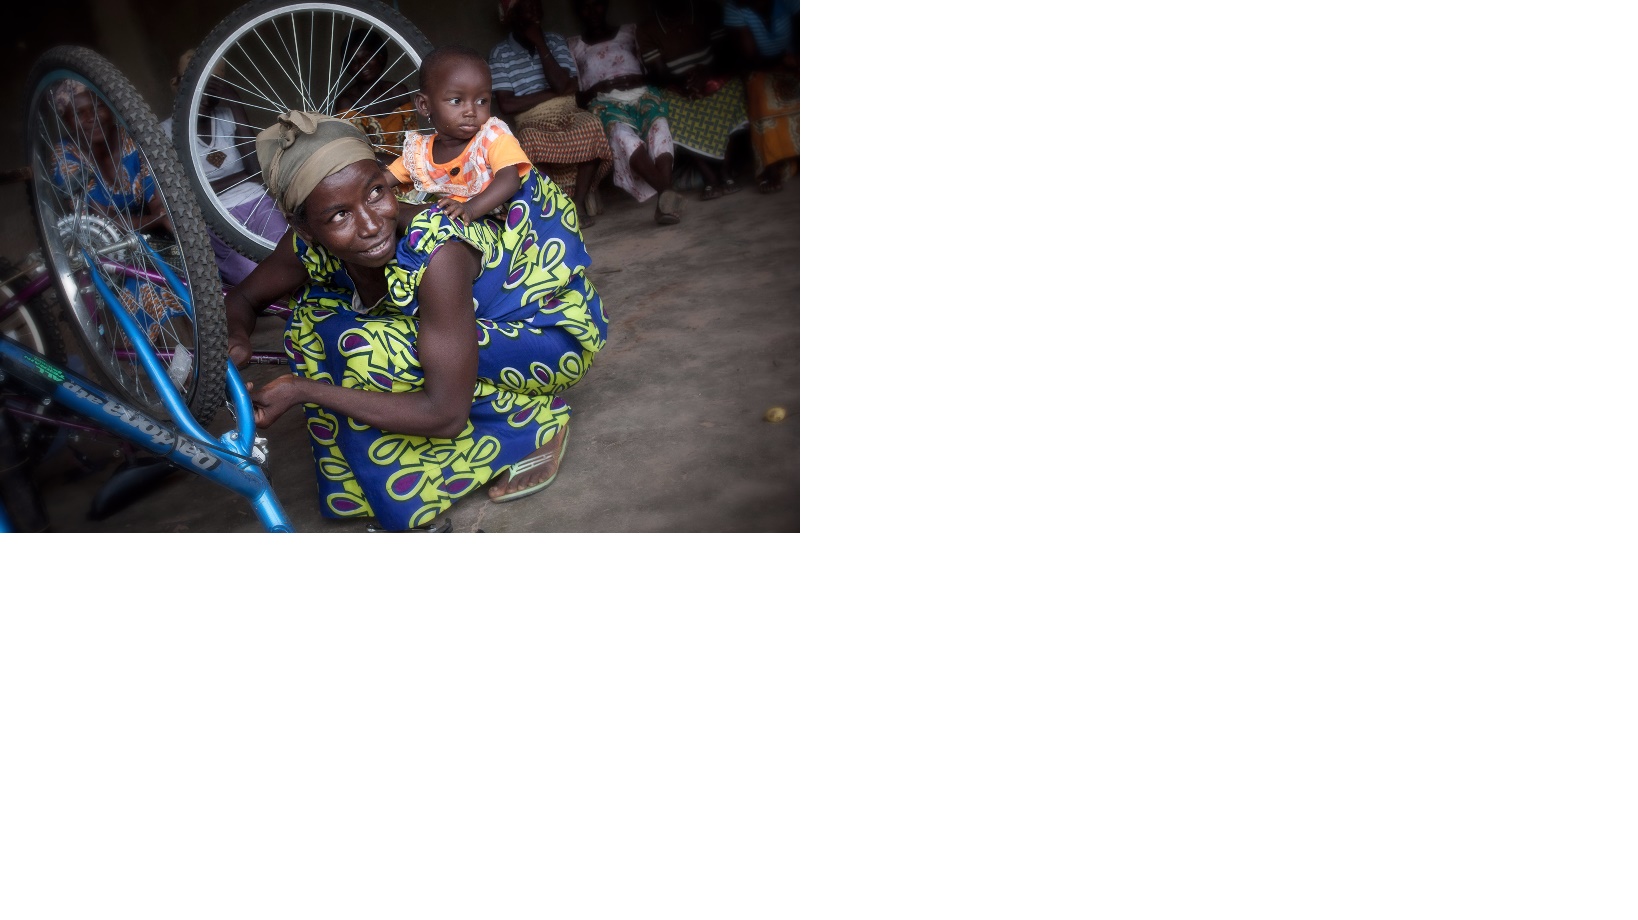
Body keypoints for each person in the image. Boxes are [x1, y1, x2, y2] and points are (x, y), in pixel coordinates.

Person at [224, 111, 607, 531]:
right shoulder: (305, 244)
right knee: (318, 323)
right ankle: (391, 479)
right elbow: (243, 297)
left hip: (540, 341)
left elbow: (444, 415)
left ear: (389, 183)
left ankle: (535, 424)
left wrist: (302, 391)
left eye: (375, 193)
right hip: (464, 342)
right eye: (338, 216)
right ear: (304, 227)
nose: (370, 225)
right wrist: (237, 338)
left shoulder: (438, 252)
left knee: (366, 349)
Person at [47, 81, 188, 337]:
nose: (91, 118)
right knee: (140, 283)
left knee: (188, 269)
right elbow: (102, 220)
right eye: (79, 114)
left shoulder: (131, 141)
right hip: (102, 248)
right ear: (67, 121)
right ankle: (169, 368)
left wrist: (162, 219)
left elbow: (157, 198)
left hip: (147, 236)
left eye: (98, 107)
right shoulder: (65, 156)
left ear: (110, 109)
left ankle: (208, 353)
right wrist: (157, 219)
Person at [160, 48, 290, 287]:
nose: (204, 96)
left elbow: (254, 169)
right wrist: (235, 177)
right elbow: (185, 194)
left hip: (255, 202)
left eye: (213, 86)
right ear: (180, 88)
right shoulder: (165, 133)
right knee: (252, 275)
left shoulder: (227, 115)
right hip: (211, 217)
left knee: (289, 254)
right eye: (197, 87)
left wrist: (235, 101)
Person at [490, 0, 613, 226]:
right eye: (526, 9)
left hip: (568, 110)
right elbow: (507, 105)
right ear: (511, 17)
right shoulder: (500, 53)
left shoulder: (554, 40)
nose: (533, 14)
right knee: (528, 140)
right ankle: (558, 204)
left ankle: (576, 202)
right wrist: (554, 92)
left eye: (536, 7)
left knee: (591, 125)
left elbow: (569, 85)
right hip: (532, 119)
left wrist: (541, 44)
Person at [569, 0, 685, 225]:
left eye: (598, 4)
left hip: (642, 94)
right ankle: (666, 193)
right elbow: (576, 93)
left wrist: (637, 78)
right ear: (577, 12)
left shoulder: (630, 32)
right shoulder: (574, 45)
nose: (593, 10)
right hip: (604, 102)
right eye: (585, 6)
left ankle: (665, 199)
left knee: (660, 127)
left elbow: (654, 71)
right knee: (622, 135)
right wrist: (596, 88)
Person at [388, 46, 527, 222]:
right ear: (424, 105)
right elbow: (387, 178)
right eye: (456, 101)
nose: (471, 111)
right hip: (478, 223)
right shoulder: (420, 154)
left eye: (481, 101)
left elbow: (509, 181)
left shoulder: (493, 137)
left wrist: (470, 208)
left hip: (526, 225)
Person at [636, 0, 748, 201]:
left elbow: (723, 54)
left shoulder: (707, 10)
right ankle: (710, 177)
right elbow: (660, 74)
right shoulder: (647, 29)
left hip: (713, 77)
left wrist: (707, 75)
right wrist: (687, 83)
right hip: (678, 86)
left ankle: (725, 171)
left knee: (734, 92)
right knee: (667, 109)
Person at [722, 0, 798, 192]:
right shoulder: (735, 7)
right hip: (757, 68)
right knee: (762, 93)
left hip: (792, 63)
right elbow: (750, 57)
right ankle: (770, 167)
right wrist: (783, 60)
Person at [336, 26, 422, 163]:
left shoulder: (398, 91)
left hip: (410, 167)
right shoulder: (346, 102)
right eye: (354, 61)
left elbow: (414, 139)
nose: (362, 64)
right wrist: (402, 166)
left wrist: (412, 167)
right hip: (376, 173)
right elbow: (359, 152)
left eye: (367, 57)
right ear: (347, 67)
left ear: (380, 57)